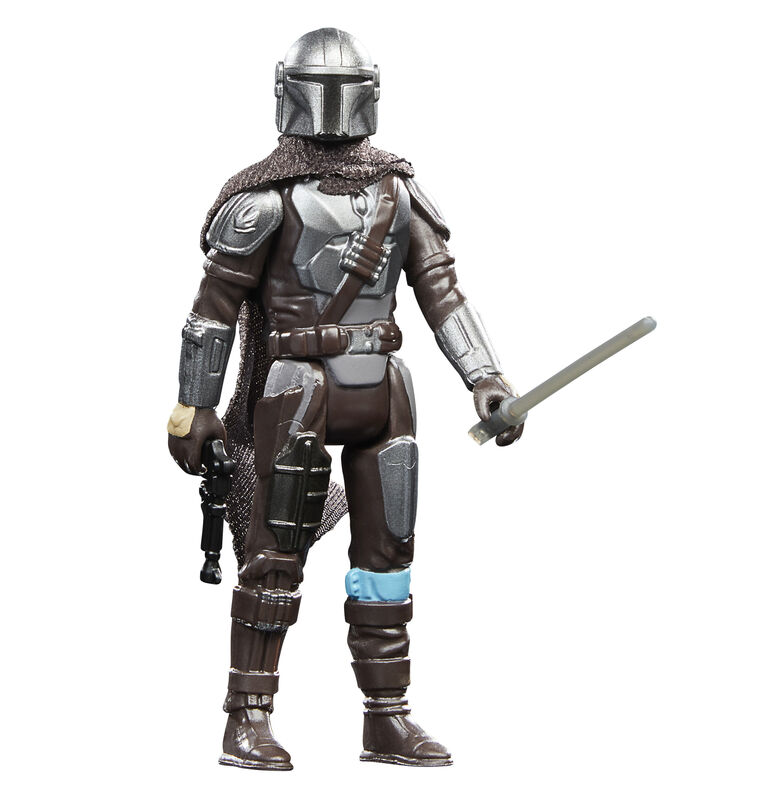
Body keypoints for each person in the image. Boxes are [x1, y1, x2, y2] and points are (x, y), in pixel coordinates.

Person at [167, 28, 523, 771]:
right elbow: (215, 310)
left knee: (387, 557)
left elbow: (443, 295)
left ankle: (387, 718)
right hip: (295, 389)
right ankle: (247, 717)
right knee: (274, 554)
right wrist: (196, 406)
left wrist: (485, 378)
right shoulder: (263, 199)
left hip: (382, 390)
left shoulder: (398, 189)